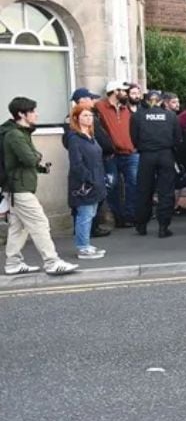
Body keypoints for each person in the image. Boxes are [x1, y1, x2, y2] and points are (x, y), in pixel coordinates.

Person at [2, 97, 79, 276]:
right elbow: (29, 158)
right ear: (21, 114)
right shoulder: (15, 135)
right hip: (18, 188)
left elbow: (29, 159)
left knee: (19, 226)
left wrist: (40, 166)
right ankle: (52, 262)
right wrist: (37, 156)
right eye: (33, 111)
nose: (37, 114)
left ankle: (13, 263)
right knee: (39, 222)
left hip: (18, 187)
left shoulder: (21, 132)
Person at [129, 92, 182, 238]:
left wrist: (142, 147)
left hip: (146, 155)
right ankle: (163, 227)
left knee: (143, 190)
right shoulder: (171, 116)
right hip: (166, 154)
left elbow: (133, 137)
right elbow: (178, 138)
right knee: (166, 191)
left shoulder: (137, 116)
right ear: (161, 102)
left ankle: (141, 225)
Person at [66, 102, 109, 260]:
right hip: (84, 183)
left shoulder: (90, 136)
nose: (89, 118)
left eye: (90, 115)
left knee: (90, 214)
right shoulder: (74, 138)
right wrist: (89, 179)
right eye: (85, 115)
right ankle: (82, 247)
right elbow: (76, 164)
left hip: (96, 180)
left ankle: (85, 243)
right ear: (76, 118)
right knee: (84, 215)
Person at [94, 81, 138, 228]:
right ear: (115, 91)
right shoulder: (100, 107)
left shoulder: (127, 110)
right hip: (111, 154)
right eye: (123, 91)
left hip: (130, 152)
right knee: (113, 186)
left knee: (133, 183)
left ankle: (130, 215)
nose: (126, 94)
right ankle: (119, 217)